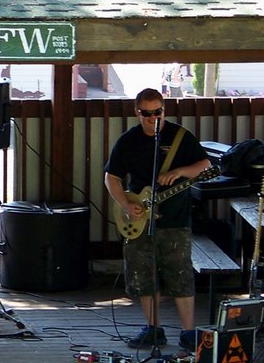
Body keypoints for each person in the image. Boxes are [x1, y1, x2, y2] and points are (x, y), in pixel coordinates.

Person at [103, 88, 210, 353]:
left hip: (175, 218)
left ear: (165, 110)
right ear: (137, 112)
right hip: (140, 219)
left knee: (181, 275)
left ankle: (188, 333)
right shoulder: (128, 141)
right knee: (143, 276)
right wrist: (126, 204)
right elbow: (111, 177)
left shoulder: (181, 137)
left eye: (158, 112)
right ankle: (153, 329)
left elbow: (205, 165)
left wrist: (179, 171)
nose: (153, 118)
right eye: (147, 114)